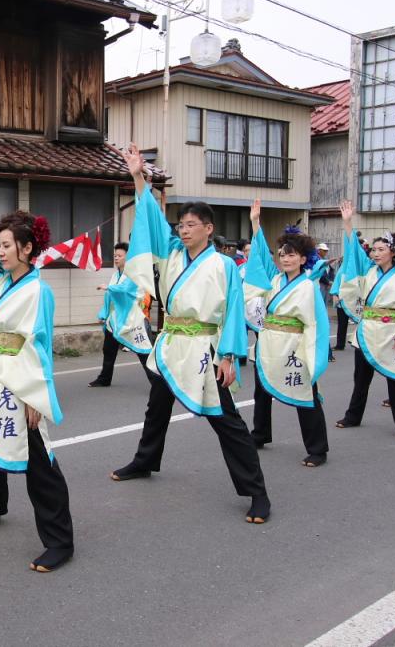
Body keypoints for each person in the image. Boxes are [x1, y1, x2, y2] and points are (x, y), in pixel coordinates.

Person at [109, 145, 270, 525]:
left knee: (225, 420)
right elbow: (150, 220)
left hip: (203, 347)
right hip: (170, 345)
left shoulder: (224, 265)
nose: (183, 230)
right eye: (181, 225)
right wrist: (138, 178)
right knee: (157, 405)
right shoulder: (171, 254)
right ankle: (146, 460)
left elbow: (232, 312)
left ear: (209, 229)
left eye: (191, 225)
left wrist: (229, 356)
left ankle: (257, 492)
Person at [0, 156, 74, 572]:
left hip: (18, 380)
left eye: (8, 245)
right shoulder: (0, 279)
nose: (0, 251)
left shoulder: (39, 292)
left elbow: (40, 348)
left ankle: (60, 540)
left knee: (36, 457)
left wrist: (36, 398)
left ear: (28, 248)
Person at [244, 200, 330, 467]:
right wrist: (255, 222)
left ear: (303, 259)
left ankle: (318, 448)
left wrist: (311, 352)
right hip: (269, 342)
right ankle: (260, 433)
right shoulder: (274, 279)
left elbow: (316, 323)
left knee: (305, 395)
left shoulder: (309, 286)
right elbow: (257, 256)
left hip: (294, 345)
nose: (285, 258)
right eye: (282, 254)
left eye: (291, 255)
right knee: (261, 390)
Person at [333, 201, 395, 440]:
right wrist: (347, 222)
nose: (375, 253)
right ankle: (353, 416)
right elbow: (353, 252)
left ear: (393, 252)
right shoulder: (368, 270)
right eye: (373, 250)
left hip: (393, 333)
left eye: (381, 249)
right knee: (360, 380)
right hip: (366, 331)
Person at [89, 242, 153, 387]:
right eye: (115, 255)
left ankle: (157, 383)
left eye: (119, 255)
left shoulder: (134, 275)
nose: (116, 258)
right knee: (108, 350)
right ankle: (104, 379)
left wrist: (109, 287)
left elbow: (124, 290)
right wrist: (104, 314)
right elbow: (109, 297)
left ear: (128, 257)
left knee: (143, 353)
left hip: (132, 320)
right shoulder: (115, 275)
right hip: (115, 320)